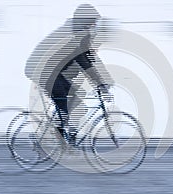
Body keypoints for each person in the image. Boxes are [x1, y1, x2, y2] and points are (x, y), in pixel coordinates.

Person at [25, 4, 114, 146]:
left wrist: (105, 81)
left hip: (54, 72)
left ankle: (67, 138)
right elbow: (85, 64)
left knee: (78, 104)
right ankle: (47, 141)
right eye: (92, 23)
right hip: (42, 71)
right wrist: (101, 85)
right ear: (84, 22)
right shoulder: (73, 37)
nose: (94, 26)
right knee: (64, 106)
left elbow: (91, 59)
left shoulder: (80, 35)